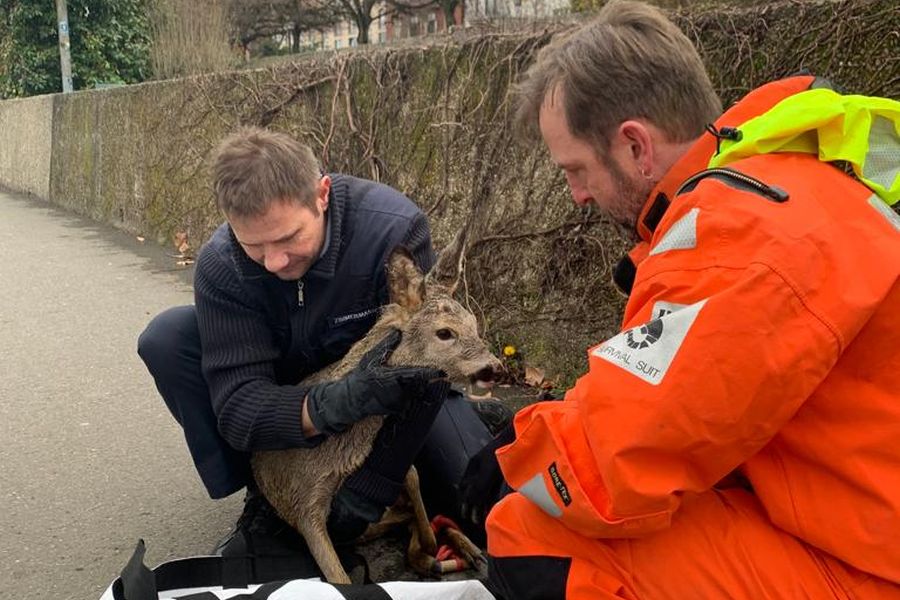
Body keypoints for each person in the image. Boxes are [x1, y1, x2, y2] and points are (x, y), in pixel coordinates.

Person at [468, 1, 900, 598]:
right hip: (859, 522)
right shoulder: (790, 186)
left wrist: (511, 463)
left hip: (866, 567)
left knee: (527, 529)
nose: (576, 196)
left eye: (576, 170)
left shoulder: (737, 236)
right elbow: (672, 398)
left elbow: (621, 462)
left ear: (635, 146)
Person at [137, 126, 508, 563]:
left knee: (480, 508)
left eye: (289, 238)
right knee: (168, 337)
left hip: (391, 399)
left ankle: (472, 417)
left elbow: (425, 367)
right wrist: (331, 405)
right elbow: (238, 410)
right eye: (254, 245)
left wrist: (374, 483)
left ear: (322, 195)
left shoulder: (393, 230)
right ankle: (266, 497)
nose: (274, 261)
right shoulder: (221, 264)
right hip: (293, 396)